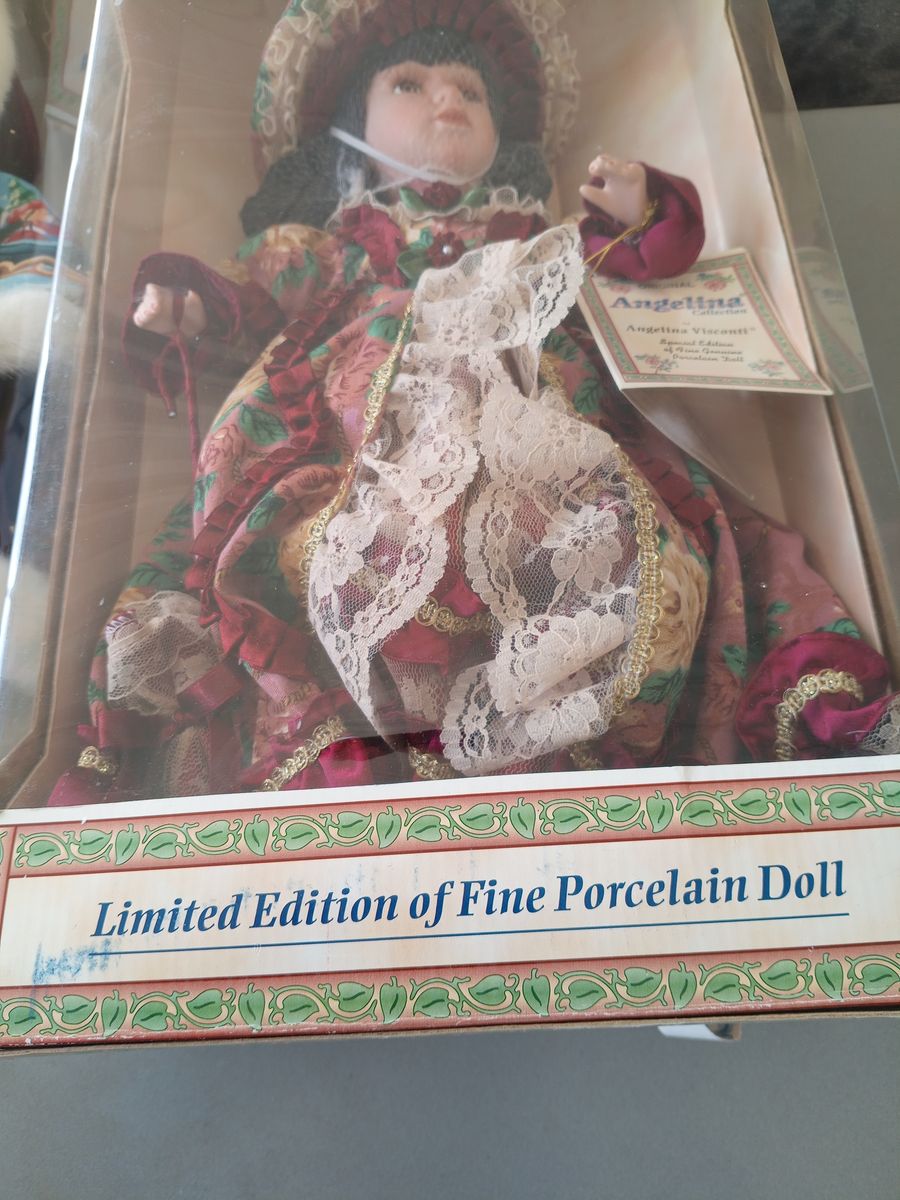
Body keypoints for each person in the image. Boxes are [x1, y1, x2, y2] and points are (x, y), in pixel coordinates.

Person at [51, 0, 899, 805]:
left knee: (608, 529)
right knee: (352, 544)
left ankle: (550, 718)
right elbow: (249, 296)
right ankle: (376, 738)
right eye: (409, 84)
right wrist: (188, 305)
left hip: (529, 403)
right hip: (362, 421)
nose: (447, 100)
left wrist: (638, 208)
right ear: (351, 123)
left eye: (470, 89)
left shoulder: (527, 238)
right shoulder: (335, 248)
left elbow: (639, 259)